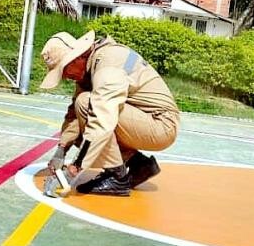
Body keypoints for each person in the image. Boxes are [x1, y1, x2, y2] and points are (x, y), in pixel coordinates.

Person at [39, 30, 180, 196]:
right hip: (144, 119)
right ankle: (139, 164)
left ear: (77, 57)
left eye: (63, 70)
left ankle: (117, 177)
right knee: (83, 121)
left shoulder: (108, 68)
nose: (65, 77)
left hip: (160, 124)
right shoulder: (92, 63)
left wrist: (72, 172)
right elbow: (73, 115)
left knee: (87, 106)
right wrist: (62, 149)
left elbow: (101, 121)